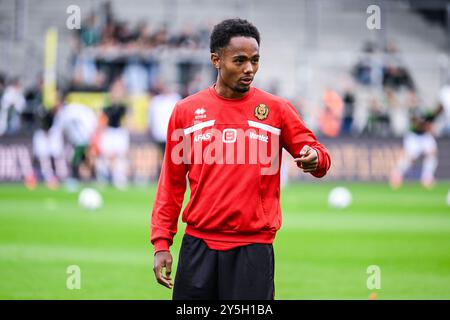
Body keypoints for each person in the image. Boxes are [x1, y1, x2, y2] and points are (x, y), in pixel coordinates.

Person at [151, 19, 331, 300]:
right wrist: (162, 243)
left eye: (255, 60)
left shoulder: (277, 110)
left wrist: (315, 158)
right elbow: (172, 185)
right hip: (198, 246)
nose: (249, 69)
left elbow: (317, 153)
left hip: (253, 249)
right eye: (240, 60)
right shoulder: (186, 112)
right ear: (216, 60)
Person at [390, 104, 443, 189]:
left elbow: (430, 126)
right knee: (411, 158)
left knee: (432, 154)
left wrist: (429, 128)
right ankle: (396, 174)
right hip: (413, 137)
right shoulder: (415, 114)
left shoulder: (430, 115)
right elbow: (417, 125)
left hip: (425, 137)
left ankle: (427, 177)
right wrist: (426, 127)